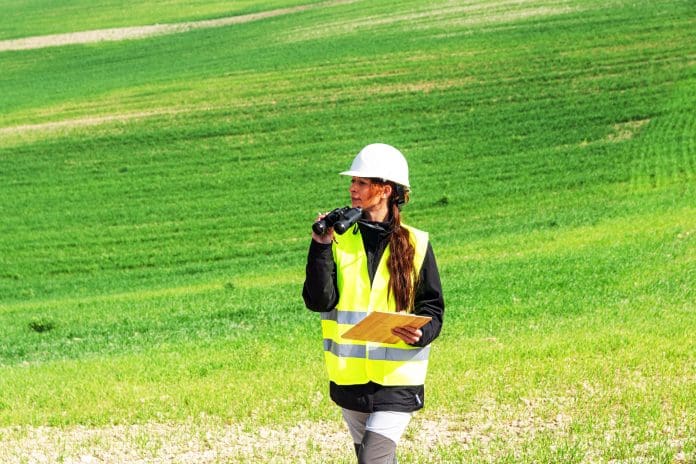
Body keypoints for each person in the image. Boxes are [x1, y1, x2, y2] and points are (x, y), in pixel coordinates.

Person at [303, 143, 445, 464]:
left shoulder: (416, 243)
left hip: (398, 378)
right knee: (374, 460)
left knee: (372, 460)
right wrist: (320, 248)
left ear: (384, 190)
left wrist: (421, 334)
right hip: (350, 379)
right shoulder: (339, 240)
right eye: (353, 182)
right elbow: (319, 300)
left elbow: (433, 309)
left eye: (362, 182)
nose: (353, 188)